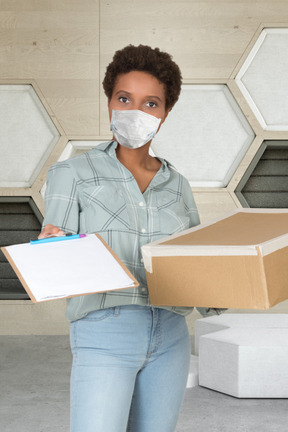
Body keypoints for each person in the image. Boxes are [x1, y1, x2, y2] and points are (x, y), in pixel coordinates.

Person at [39, 44, 223, 432]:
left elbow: (192, 265)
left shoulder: (178, 186)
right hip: (105, 330)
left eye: (151, 103)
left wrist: (227, 290)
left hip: (171, 333)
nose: (136, 112)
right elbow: (55, 257)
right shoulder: (72, 173)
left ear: (165, 114)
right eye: (125, 99)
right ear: (110, 102)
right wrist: (51, 249)